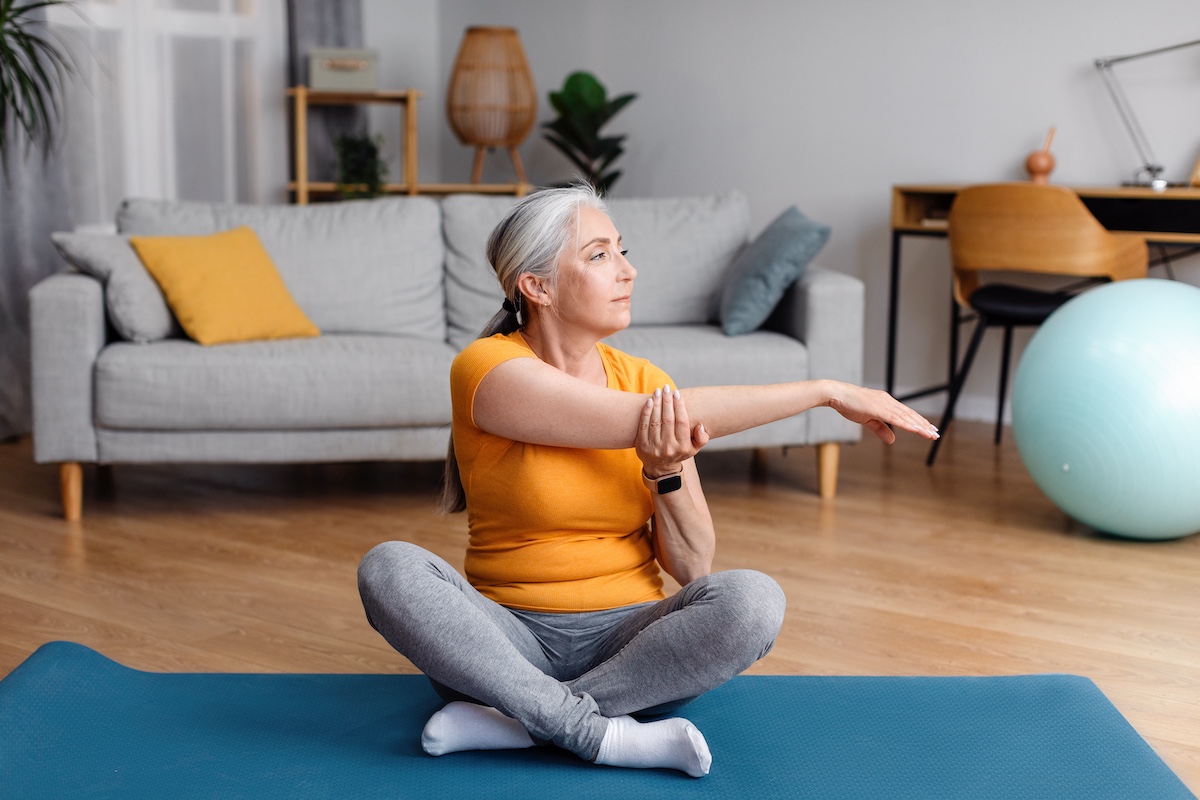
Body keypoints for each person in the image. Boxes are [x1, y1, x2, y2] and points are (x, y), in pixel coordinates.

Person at [358, 184, 939, 778]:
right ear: (537, 286)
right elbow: (645, 420)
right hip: (504, 641)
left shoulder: (645, 380)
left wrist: (664, 471)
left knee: (754, 600)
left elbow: (693, 567)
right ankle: (597, 732)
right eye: (599, 255)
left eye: (622, 251)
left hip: (629, 649)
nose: (628, 271)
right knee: (390, 567)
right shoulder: (487, 368)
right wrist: (826, 391)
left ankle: (518, 722)